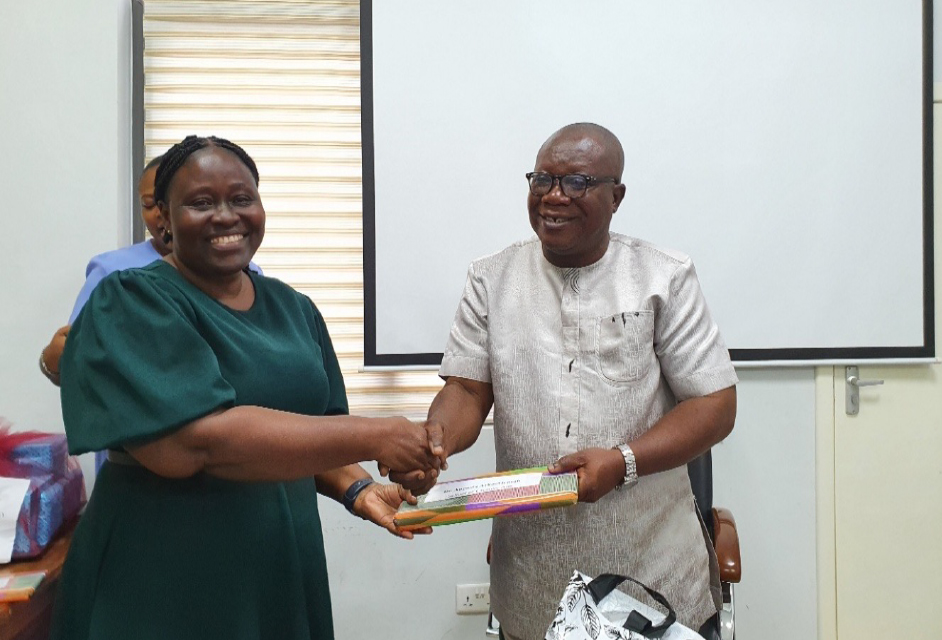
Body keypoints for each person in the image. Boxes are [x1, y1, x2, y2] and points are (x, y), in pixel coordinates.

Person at [51, 135, 440, 640]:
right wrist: (377, 434)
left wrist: (360, 488)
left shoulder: (293, 308)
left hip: (279, 561)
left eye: (241, 199)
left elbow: (315, 435)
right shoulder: (130, 300)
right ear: (162, 218)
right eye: (200, 202)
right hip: (166, 571)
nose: (225, 215)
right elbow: (196, 442)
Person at [389, 123, 738, 640]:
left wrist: (622, 462)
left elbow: (714, 403)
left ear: (616, 197)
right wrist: (433, 446)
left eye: (576, 182)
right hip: (532, 577)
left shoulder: (665, 276)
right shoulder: (492, 278)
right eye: (541, 180)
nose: (554, 196)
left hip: (650, 576)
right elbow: (465, 390)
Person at [39, 156, 263, 387]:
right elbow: (72, 356)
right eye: (149, 204)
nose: (159, 214)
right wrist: (51, 362)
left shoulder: (248, 275)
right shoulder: (113, 272)